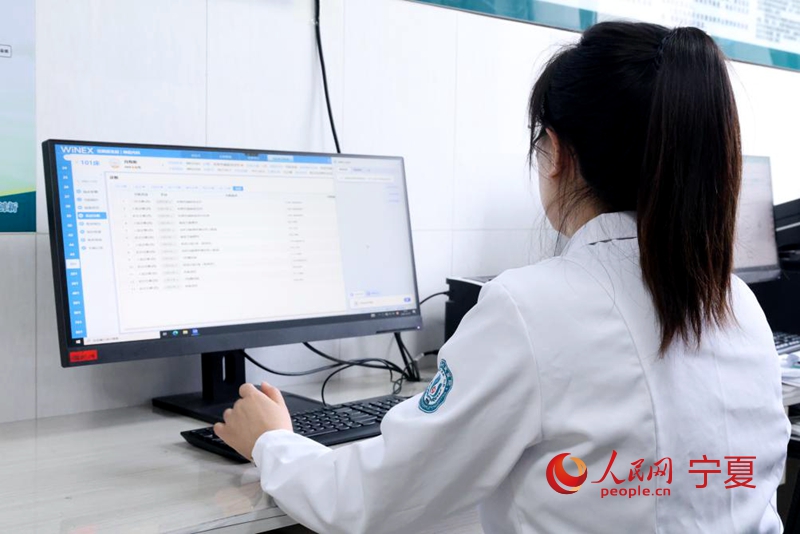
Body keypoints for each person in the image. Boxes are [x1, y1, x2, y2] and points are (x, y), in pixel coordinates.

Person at [214, 21, 790, 533]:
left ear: (557, 153)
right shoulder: (738, 304)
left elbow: (373, 499)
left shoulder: (532, 308)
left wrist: (272, 441)